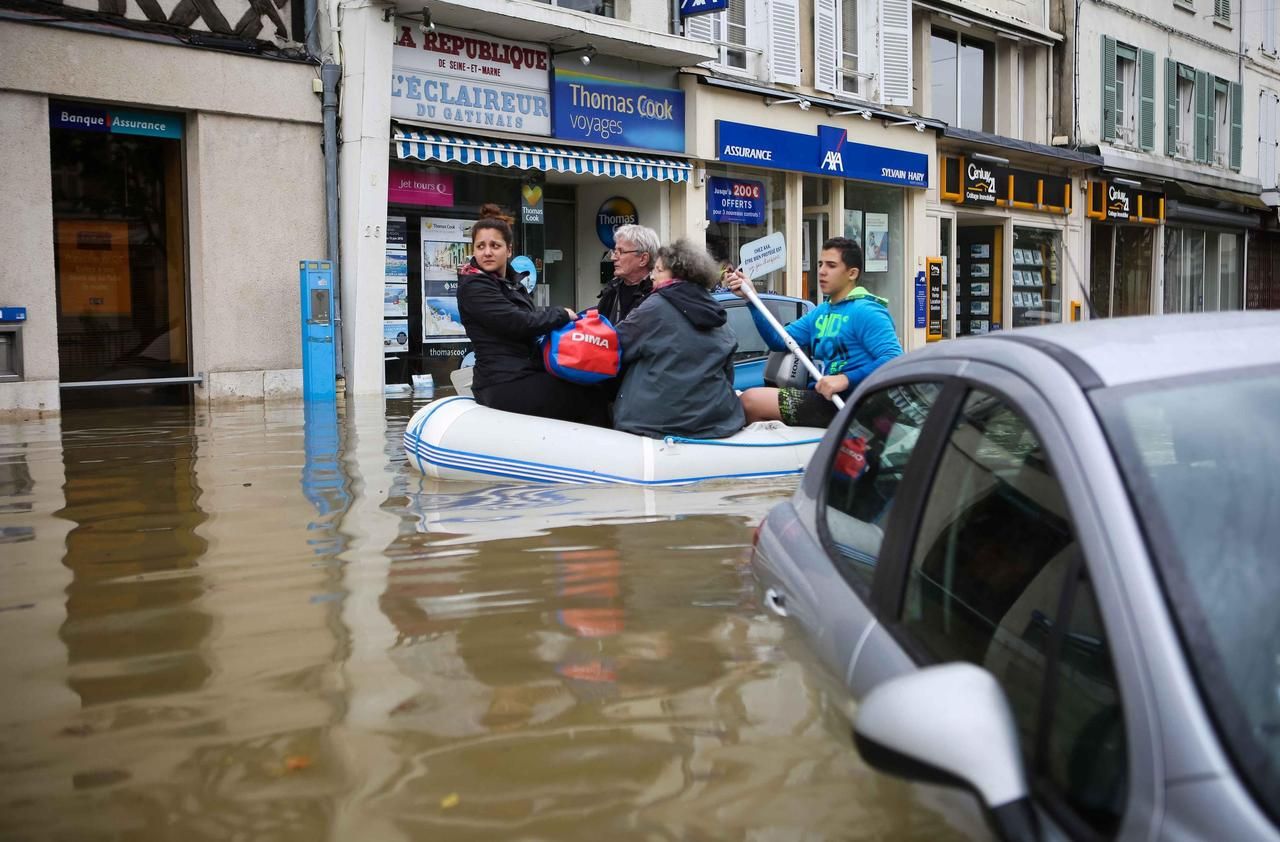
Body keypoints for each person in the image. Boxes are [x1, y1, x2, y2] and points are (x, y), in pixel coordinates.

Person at [456, 204, 609, 426]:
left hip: (522, 372)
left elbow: (529, 318)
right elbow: (517, 321)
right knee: (589, 399)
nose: (487, 252)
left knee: (594, 386)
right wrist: (560, 314)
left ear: (509, 250)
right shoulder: (475, 286)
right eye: (480, 246)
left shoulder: (510, 283)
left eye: (494, 245)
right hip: (502, 381)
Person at [727, 236, 902, 428]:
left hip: (851, 404)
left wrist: (845, 379)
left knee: (751, 400)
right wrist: (751, 298)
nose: (821, 271)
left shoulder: (866, 310)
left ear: (852, 273)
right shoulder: (821, 311)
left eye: (831, 265)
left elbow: (894, 359)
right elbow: (778, 340)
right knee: (747, 398)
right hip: (823, 399)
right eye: (820, 264)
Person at [612, 239, 745, 439]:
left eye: (658, 270)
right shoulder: (715, 310)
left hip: (651, 424)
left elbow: (615, 346)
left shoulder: (655, 306)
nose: (652, 275)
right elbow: (728, 373)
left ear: (677, 274)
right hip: (716, 423)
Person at [597, 224, 659, 324]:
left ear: (643, 259)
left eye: (621, 252)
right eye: (615, 251)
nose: (613, 258)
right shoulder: (611, 289)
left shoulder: (657, 294)